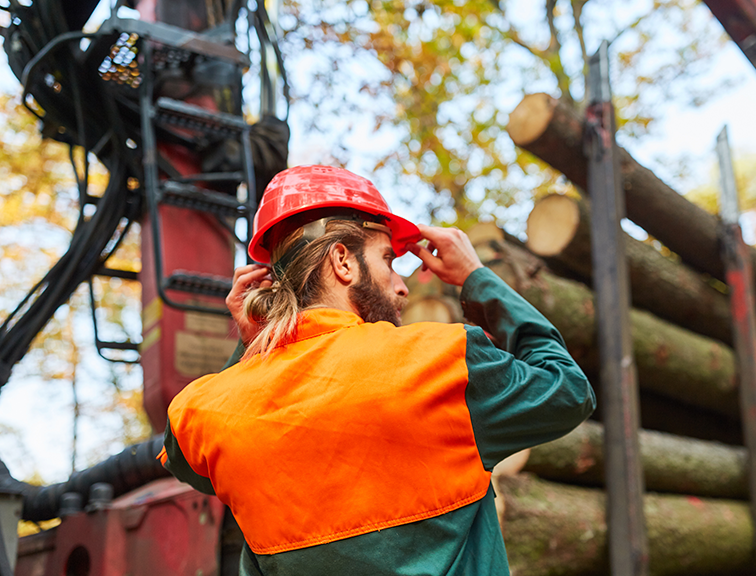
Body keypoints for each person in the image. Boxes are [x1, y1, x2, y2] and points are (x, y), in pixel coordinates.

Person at [160, 165, 595, 576]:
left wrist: (250, 345)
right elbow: (569, 390)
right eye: (388, 259)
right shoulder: (441, 362)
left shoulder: (206, 409)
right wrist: (477, 278)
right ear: (343, 261)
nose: (402, 283)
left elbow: (190, 466)